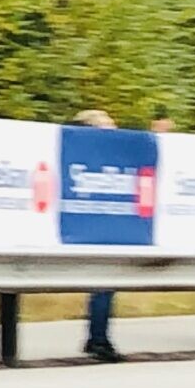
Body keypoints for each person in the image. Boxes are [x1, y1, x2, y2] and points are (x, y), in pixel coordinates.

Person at [68, 109, 126, 364]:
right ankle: (98, 339)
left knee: (106, 285)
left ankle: (98, 338)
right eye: (107, 128)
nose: (114, 133)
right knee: (104, 283)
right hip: (86, 230)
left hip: (101, 229)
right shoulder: (84, 158)